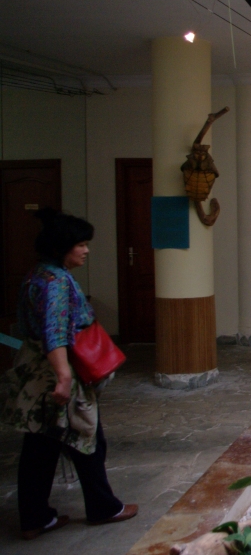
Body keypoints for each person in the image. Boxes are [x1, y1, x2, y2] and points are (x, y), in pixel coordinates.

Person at [0, 209, 137, 539]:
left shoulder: (37, 275)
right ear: (62, 246)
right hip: (59, 371)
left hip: (37, 369)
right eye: (81, 244)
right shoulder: (57, 283)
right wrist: (63, 377)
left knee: (42, 445)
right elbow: (55, 331)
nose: (86, 251)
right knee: (87, 438)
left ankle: (35, 517)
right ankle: (103, 507)